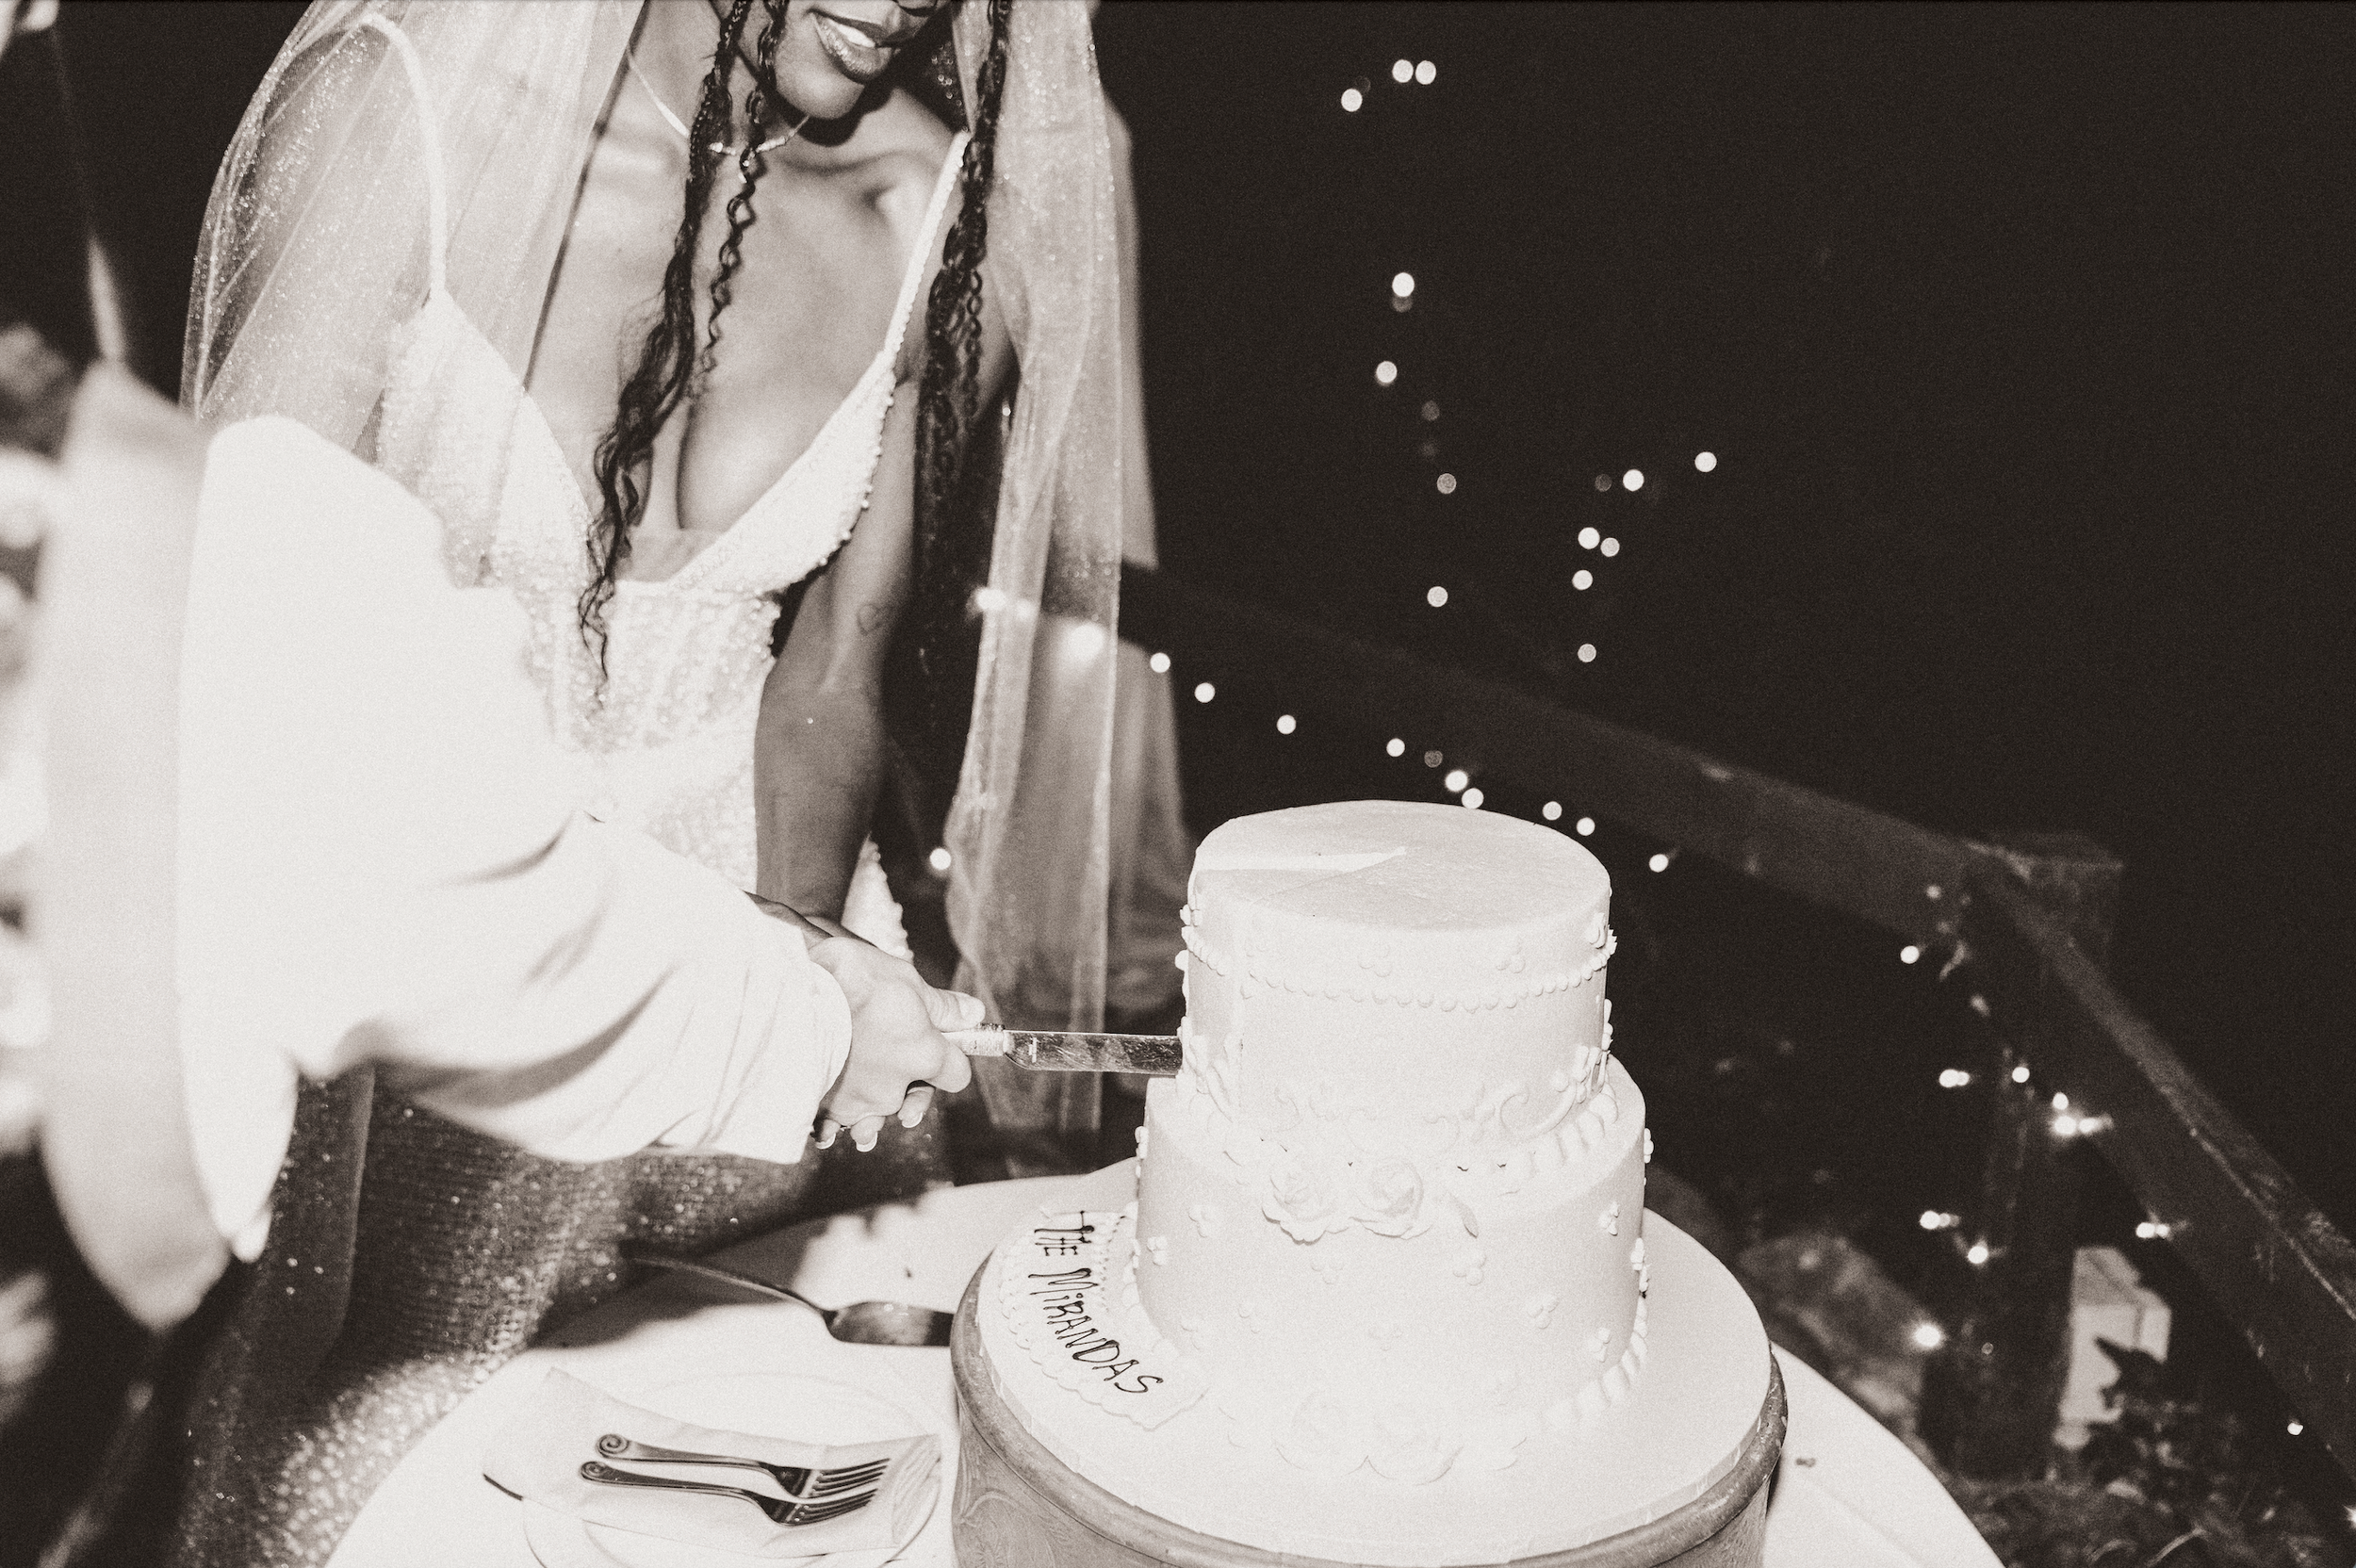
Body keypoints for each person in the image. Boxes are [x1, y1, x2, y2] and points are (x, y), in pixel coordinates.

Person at [164, 2, 1132, 1560]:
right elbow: (238, 671)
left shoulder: (930, 206)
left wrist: (781, 985)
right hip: (428, 922)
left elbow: (828, 683)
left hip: (763, 929)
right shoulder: (399, 115)